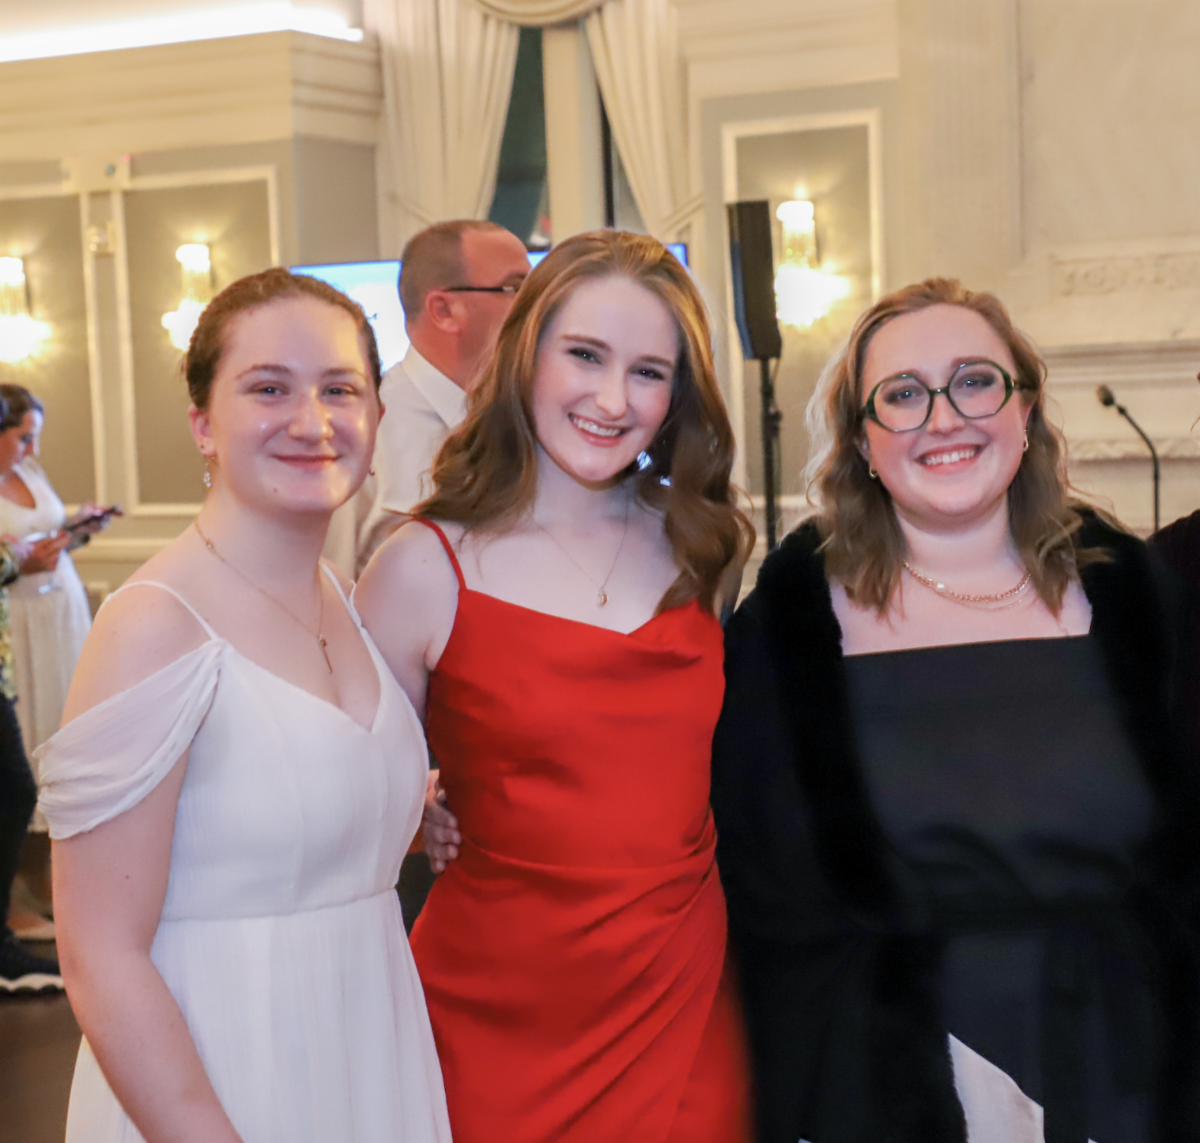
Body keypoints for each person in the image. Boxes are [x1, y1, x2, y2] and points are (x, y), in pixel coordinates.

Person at [711, 278, 1200, 1143]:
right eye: (902, 394)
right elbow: (763, 900)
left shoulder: (1143, 604)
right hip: (888, 1090)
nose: (944, 418)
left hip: (1126, 1076)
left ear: (1025, 409)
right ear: (862, 439)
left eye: (974, 381)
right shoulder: (785, 635)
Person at [356, 230, 755, 1143]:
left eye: (648, 372)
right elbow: (349, 798)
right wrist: (413, 804)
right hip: (490, 1013)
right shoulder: (421, 564)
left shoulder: (707, 548)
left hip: (682, 995)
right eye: (585, 355)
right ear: (526, 354)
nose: (613, 400)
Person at [36, 269, 451, 1143]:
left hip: (369, 1045)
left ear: (376, 416)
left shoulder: (347, 599)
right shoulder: (155, 624)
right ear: (203, 423)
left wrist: (419, 814)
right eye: (269, 388)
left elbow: (291, 819)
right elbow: (99, 953)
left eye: (340, 389)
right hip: (222, 1070)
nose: (312, 420)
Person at [350, 219, 530, 569]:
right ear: (444, 311)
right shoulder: (363, 431)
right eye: (516, 288)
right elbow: (321, 581)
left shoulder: (534, 419)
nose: (538, 305)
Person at [0, 386, 114, 933]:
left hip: (59, 619)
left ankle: (52, 883)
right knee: (21, 753)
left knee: (60, 736)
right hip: (17, 627)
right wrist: (17, 566)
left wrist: (76, 531)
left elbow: (43, 535)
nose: (32, 449)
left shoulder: (31, 472)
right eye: (25, 437)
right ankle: (15, 895)